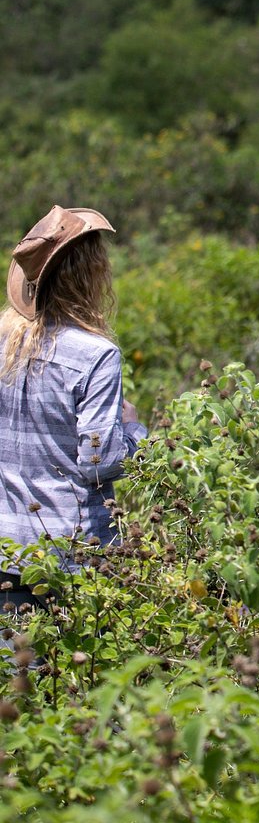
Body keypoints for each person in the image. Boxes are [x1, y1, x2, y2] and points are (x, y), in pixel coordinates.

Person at [0, 206, 146, 618]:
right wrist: (134, 430)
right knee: (85, 676)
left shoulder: (3, 338)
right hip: (72, 557)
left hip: (6, 552)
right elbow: (99, 463)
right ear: (89, 273)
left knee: (16, 678)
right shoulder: (96, 355)